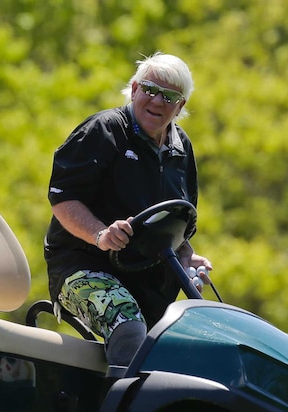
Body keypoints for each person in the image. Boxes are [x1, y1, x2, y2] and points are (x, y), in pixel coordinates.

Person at [44, 52, 211, 367]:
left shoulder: (181, 149)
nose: (157, 101)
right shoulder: (104, 130)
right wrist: (100, 235)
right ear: (134, 89)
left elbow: (175, 227)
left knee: (193, 345)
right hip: (82, 267)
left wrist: (187, 257)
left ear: (181, 106)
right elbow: (63, 199)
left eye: (170, 96)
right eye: (149, 89)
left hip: (147, 280)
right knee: (129, 326)